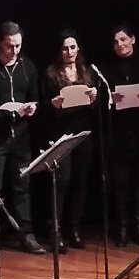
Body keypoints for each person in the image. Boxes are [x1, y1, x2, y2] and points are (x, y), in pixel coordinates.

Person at [0, 22, 45, 256]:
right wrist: (0, 112)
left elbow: (35, 97)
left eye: (18, 46)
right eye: (10, 46)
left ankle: (26, 234)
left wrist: (32, 108)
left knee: (22, 186)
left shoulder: (28, 66)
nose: (14, 51)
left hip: (21, 135)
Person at [40, 29, 98, 251]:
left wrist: (94, 98)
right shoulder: (51, 73)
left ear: (78, 48)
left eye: (73, 47)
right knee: (62, 182)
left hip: (83, 131)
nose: (69, 52)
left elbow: (97, 105)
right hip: (61, 132)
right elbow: (42, 106)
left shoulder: (87, 71)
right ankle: (55, 230)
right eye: (65, 48)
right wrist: (52, 104)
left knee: (80, 181)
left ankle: (73, 227)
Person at [104, 25, 139, 246]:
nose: (120, 45)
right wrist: (110, 99)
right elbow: (101, 99)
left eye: (123, 40)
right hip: (119, 133)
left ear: (133, 39)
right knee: (120, 183)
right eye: (116, 42)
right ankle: (122, 227)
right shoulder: (107, 69)